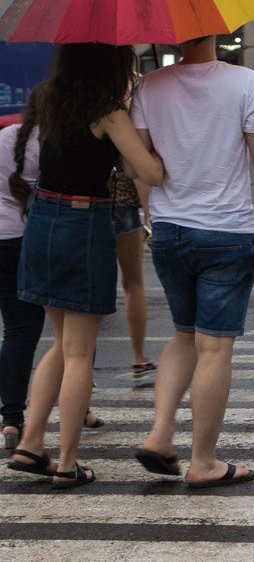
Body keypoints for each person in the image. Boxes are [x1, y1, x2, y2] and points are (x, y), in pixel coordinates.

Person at [132, 34, 254, 489]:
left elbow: (140, 163)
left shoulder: (149, 85)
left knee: (183, 334)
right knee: (214, 347)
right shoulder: (244, 82)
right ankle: (203, 460)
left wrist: (150, 216)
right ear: (217, 31)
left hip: (169, 230)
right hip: (225, 230)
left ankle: (160, 434)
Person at [9, 45, 164, 490]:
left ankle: (31, 443)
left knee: (59, 343)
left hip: (43, 218)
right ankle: (67, 462)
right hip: (84, 220)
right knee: (79, 353)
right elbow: (149, 173)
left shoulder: (48, 95)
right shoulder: (108, 109)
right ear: (111, 62)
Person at [1, 88, 45, 451]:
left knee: (15, 332)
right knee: (73, 325)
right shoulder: (50, 146)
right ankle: (81, 404)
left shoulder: (5, 137)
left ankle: (11, 418)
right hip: (26, 241)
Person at [109, 166, 154, 378]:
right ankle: (138, 357)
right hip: (121, 204)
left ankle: (81, 371)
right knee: (133, 283)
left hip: (82, 208)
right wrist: (149, 215)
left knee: (88, 293)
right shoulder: (119, 131)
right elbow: (136, 172)